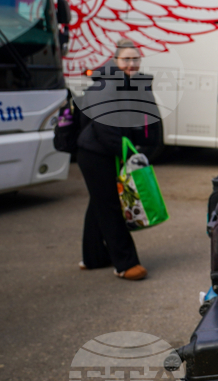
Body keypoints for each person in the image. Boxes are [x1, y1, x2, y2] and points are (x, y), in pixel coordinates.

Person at [76, 39, 161, 280]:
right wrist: (129, 155)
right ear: (115, 61)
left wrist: (147, 146)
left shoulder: (133, 84)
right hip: (96, 154)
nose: (131, 63)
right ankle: (125, 264)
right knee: (111, 206)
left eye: (135, 59)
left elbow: (146, 119)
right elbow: (105, 127)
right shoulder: (105, 85)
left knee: (99, 203)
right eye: (126, 59)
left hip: (109, 151)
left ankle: (92, 258)